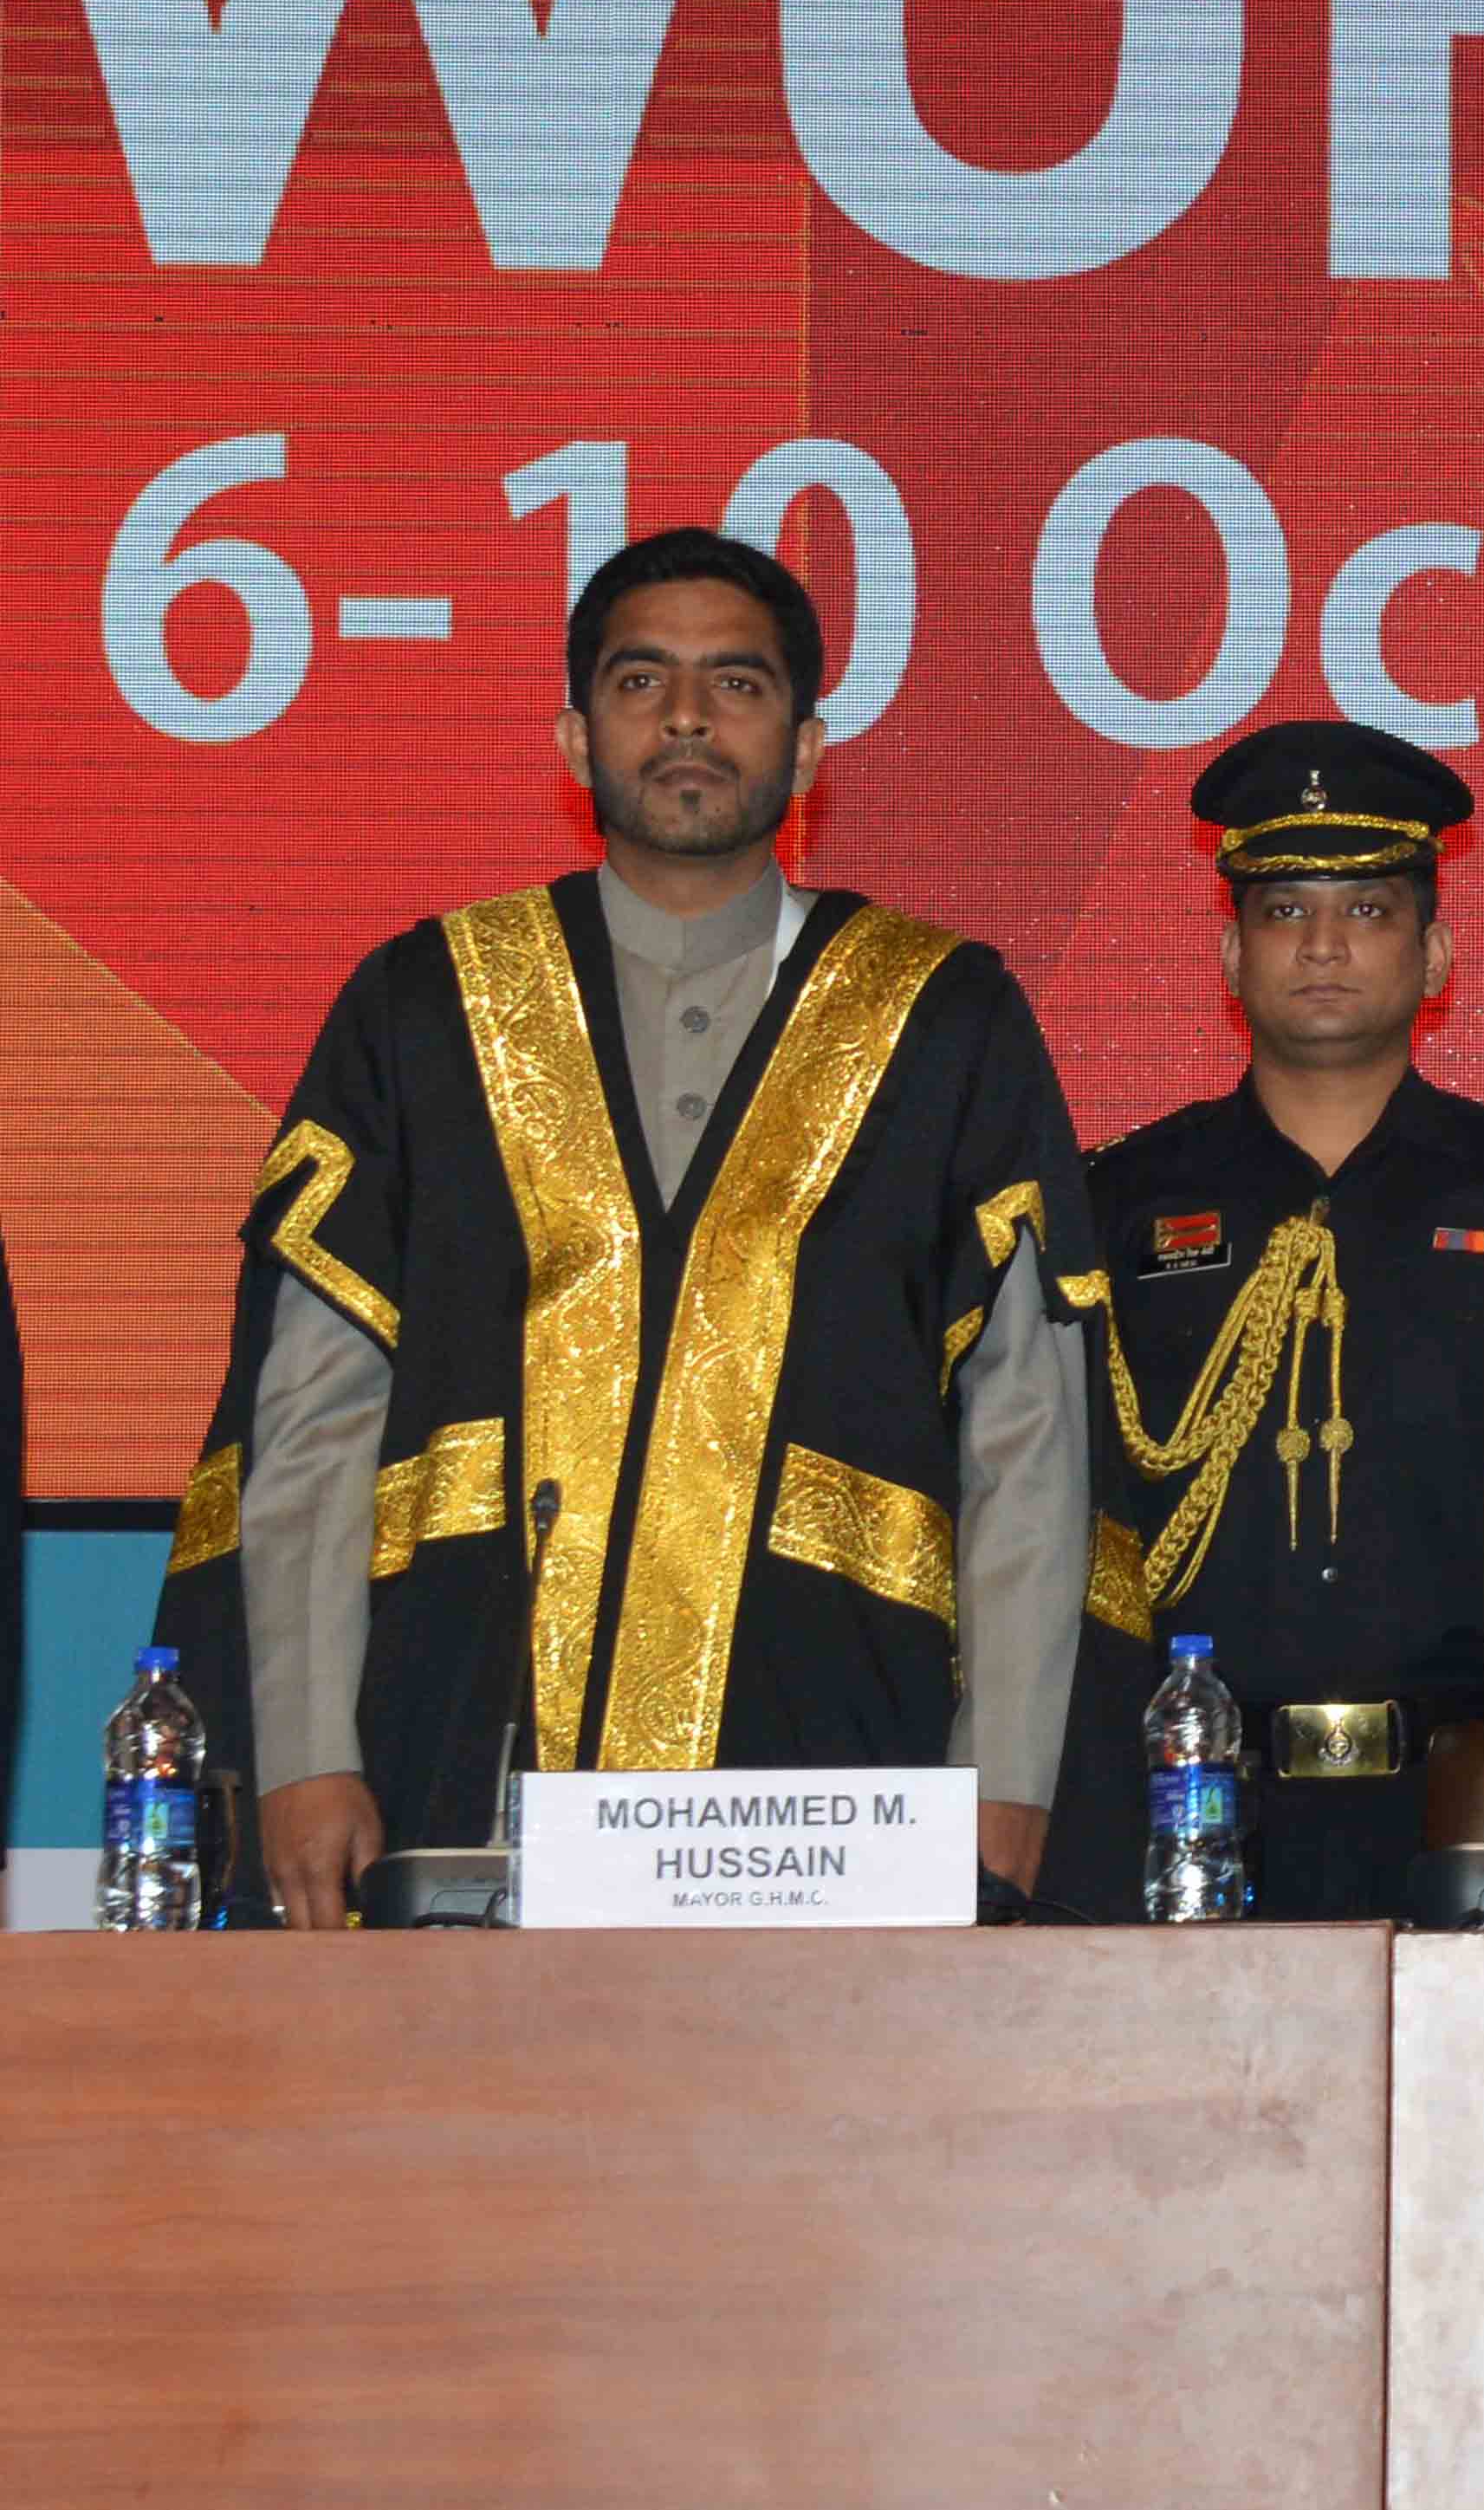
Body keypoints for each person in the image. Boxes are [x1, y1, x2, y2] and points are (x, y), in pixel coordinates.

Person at [153, 529, 1109, 1927]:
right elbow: (314, 1413)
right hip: (459, 1755)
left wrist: (1007, 1779)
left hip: (842, 1771)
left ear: (809, 742)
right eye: (640, 678)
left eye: (737, 683)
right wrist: (305, 1755)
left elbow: (1027, 1433)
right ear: (573, 730)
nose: (685, 718)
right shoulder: (424, 1007)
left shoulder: (943, 1018)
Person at [1066, 721, 1484, 1922]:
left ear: (1437, 957)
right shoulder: (1114, 1203)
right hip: (1184, 1805)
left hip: (1468, 1807)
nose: (1324, 944)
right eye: (1285, 911)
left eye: (1370, 911)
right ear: (1229, 951)